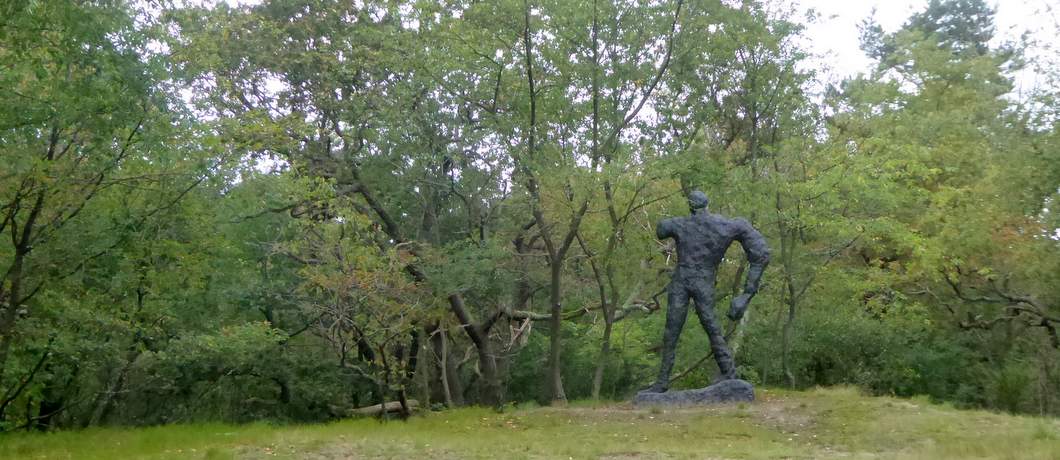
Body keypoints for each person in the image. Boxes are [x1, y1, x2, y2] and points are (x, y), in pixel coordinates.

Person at [642, 190, 769, 393]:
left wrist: (746, 295)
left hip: (683, 280)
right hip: (702, 281)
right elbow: (762, 253)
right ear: (707, 205)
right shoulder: (727, 226)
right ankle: (727, 371)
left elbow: (660, 229)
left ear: (691, 206)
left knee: (674, 331)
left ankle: (663, 380)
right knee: (711, 327)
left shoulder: (680, 223)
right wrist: (746, 294)